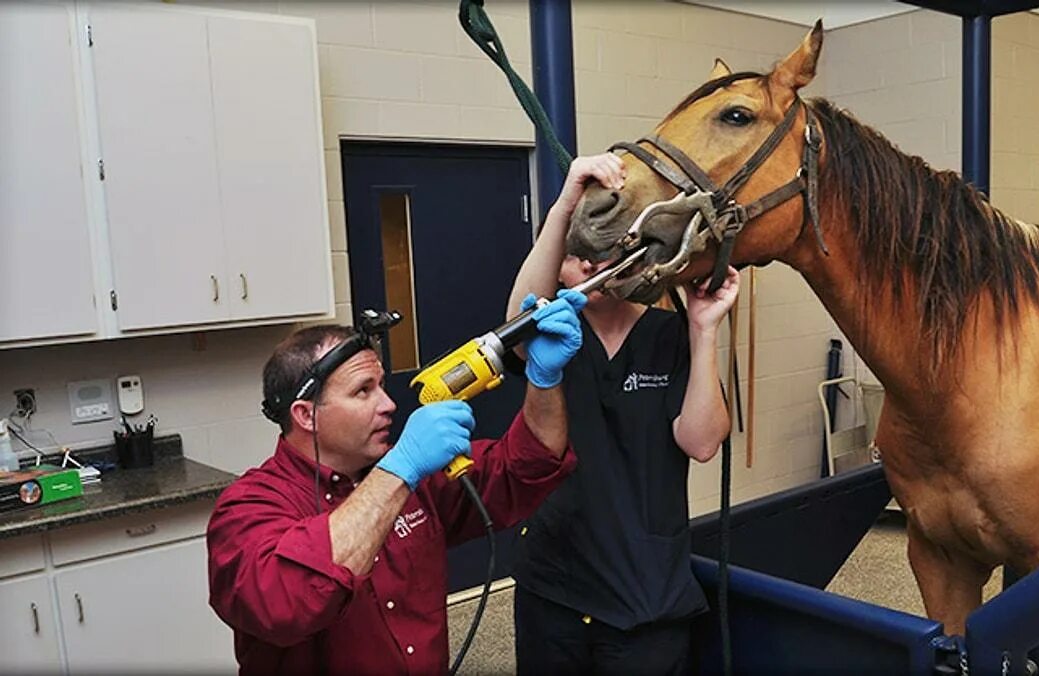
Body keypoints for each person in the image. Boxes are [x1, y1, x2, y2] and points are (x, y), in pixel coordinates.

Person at [206, 291, 585, 676]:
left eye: (382, 385)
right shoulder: (247, 508)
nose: (388, 404)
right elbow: (287, 604)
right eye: (363, 391)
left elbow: (528, 467)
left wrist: (544, 379)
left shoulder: (417, 481)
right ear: (306, 415)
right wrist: (400, 469)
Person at [508, 153, 740, 675]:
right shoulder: (553, 336)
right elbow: (517, 320)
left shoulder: (668, 337)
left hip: (645, 592)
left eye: (603, 251)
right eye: (575, 254)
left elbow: (702, 443)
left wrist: (705, 332)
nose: (588, 263)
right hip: (555, 585)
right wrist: (567, 200)